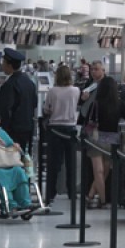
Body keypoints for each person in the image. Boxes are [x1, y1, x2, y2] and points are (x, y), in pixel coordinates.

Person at [85, 74, 125, 209]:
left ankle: (98, 198)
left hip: (96, 139)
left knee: (98, 171)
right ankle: (96, 198)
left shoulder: (95, 104)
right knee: (106, 171)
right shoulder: (119, 104)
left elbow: (87, 122)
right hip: (112, 140)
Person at [42, 66, 80, 205]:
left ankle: (50, 193)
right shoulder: (76, 90)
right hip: (70, 129)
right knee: (71, 164)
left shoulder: (52, 91)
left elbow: (47, 109)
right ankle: (71, 193)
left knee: (54, 164)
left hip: (55, 129)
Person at [0, 48, 37, 157]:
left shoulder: (10, 85)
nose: (2, 65)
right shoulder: (29, 82)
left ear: (9, 65)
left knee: (11, 160)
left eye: (4, 63)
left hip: (13, 130)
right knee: (22, 158)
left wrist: (1, 129)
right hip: (27, 127)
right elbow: (34, 103)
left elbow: (4, 109)